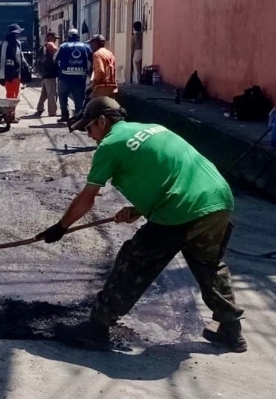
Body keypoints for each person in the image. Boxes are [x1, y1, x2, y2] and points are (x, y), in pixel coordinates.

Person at [36, 97, 246, 353]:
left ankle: (97, 327)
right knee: (207, 264)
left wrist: (61, 227)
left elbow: (86, 198)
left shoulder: (110, 145)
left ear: (102, 121)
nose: (90, 136)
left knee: (134, 261)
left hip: (180, 208)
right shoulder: (154, 128)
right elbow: (170, 172)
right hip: (218, 200)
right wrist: (138, 209)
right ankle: (231, 330)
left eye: (89, 128)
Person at [54, 28, 92, 123]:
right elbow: (91, 60)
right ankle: (78, 118)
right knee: (79, 99)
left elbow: (55, 59)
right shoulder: (85, 46)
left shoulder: (63, 46)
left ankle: (65, 116)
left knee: (63, 97)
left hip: (64, 77)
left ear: (68, 36)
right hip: (80, 78)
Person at [0, 23, 25, 124]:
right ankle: (8, 116)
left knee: (15, 97)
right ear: (12, 34)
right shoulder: (6, 44)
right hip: (9, 75)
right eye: (16, 33)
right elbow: (2, 60)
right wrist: (2, 76)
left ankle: (12, 115)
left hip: (17, 74)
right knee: (10, 96)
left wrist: (25, 69)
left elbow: (21, 57)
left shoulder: (18, 43)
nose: (18, 35)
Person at [35, 31, 59, 117]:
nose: (56, 39)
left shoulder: (44, 46)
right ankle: (52, 112)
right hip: (50, 73)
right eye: (55, 37)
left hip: (44, 73)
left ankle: (39, 108)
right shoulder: (51, 44)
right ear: (50, 37)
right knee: (51, 93)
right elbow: (57, 55)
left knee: (44, 93)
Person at [88, 34, 117, 99]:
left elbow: (100, 71)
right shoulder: (110, 53)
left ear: (95, 43)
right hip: (112, 88)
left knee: (90, 106)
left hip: (101, 89)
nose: (90, 46)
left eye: (91, 44)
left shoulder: (97, 54)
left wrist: (91, 87)